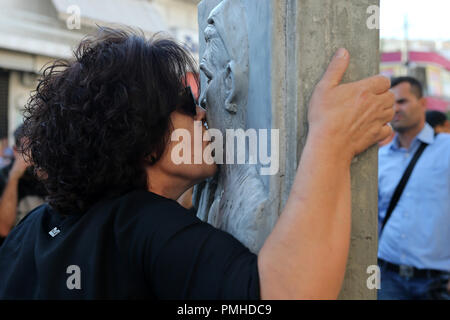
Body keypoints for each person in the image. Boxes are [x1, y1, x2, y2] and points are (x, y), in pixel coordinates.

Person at [0, 27, 394, 299]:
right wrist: (331, 140)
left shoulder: (36, 226)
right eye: (187, 104)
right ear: (141, 135)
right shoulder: (143, 223)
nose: (204, 112)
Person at [378, 76, 450, 300]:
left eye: (402, 101)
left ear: (423, 103)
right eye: (390, 104)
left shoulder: (446, 150)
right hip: (387, 278)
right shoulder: (379, 159)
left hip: (435, 282)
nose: (395, 109)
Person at [0, 125, 46, 246]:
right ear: (16, 151)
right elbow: (3, 229)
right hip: (14, 248)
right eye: (29, 148)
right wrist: (13, 178)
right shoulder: (3, 175)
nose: (34, 156)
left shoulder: (48, 174)